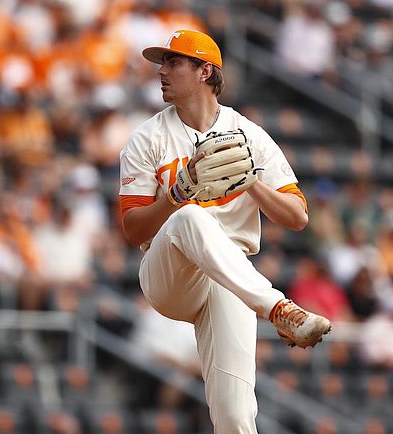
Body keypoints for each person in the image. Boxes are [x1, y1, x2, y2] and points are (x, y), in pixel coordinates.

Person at [119, 29, 331, 434]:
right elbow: (132, 229)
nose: (162, 71)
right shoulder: (147, 138)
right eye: (162, 62)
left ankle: (273, 308)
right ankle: (280, 310)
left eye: (174, 62)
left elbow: (297, 216)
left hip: (230, 277)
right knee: (190, 216)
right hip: (170, 272)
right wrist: (175, 195)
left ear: (205, 71)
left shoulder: (249, 134)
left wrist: (251, 182)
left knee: (235, 415)